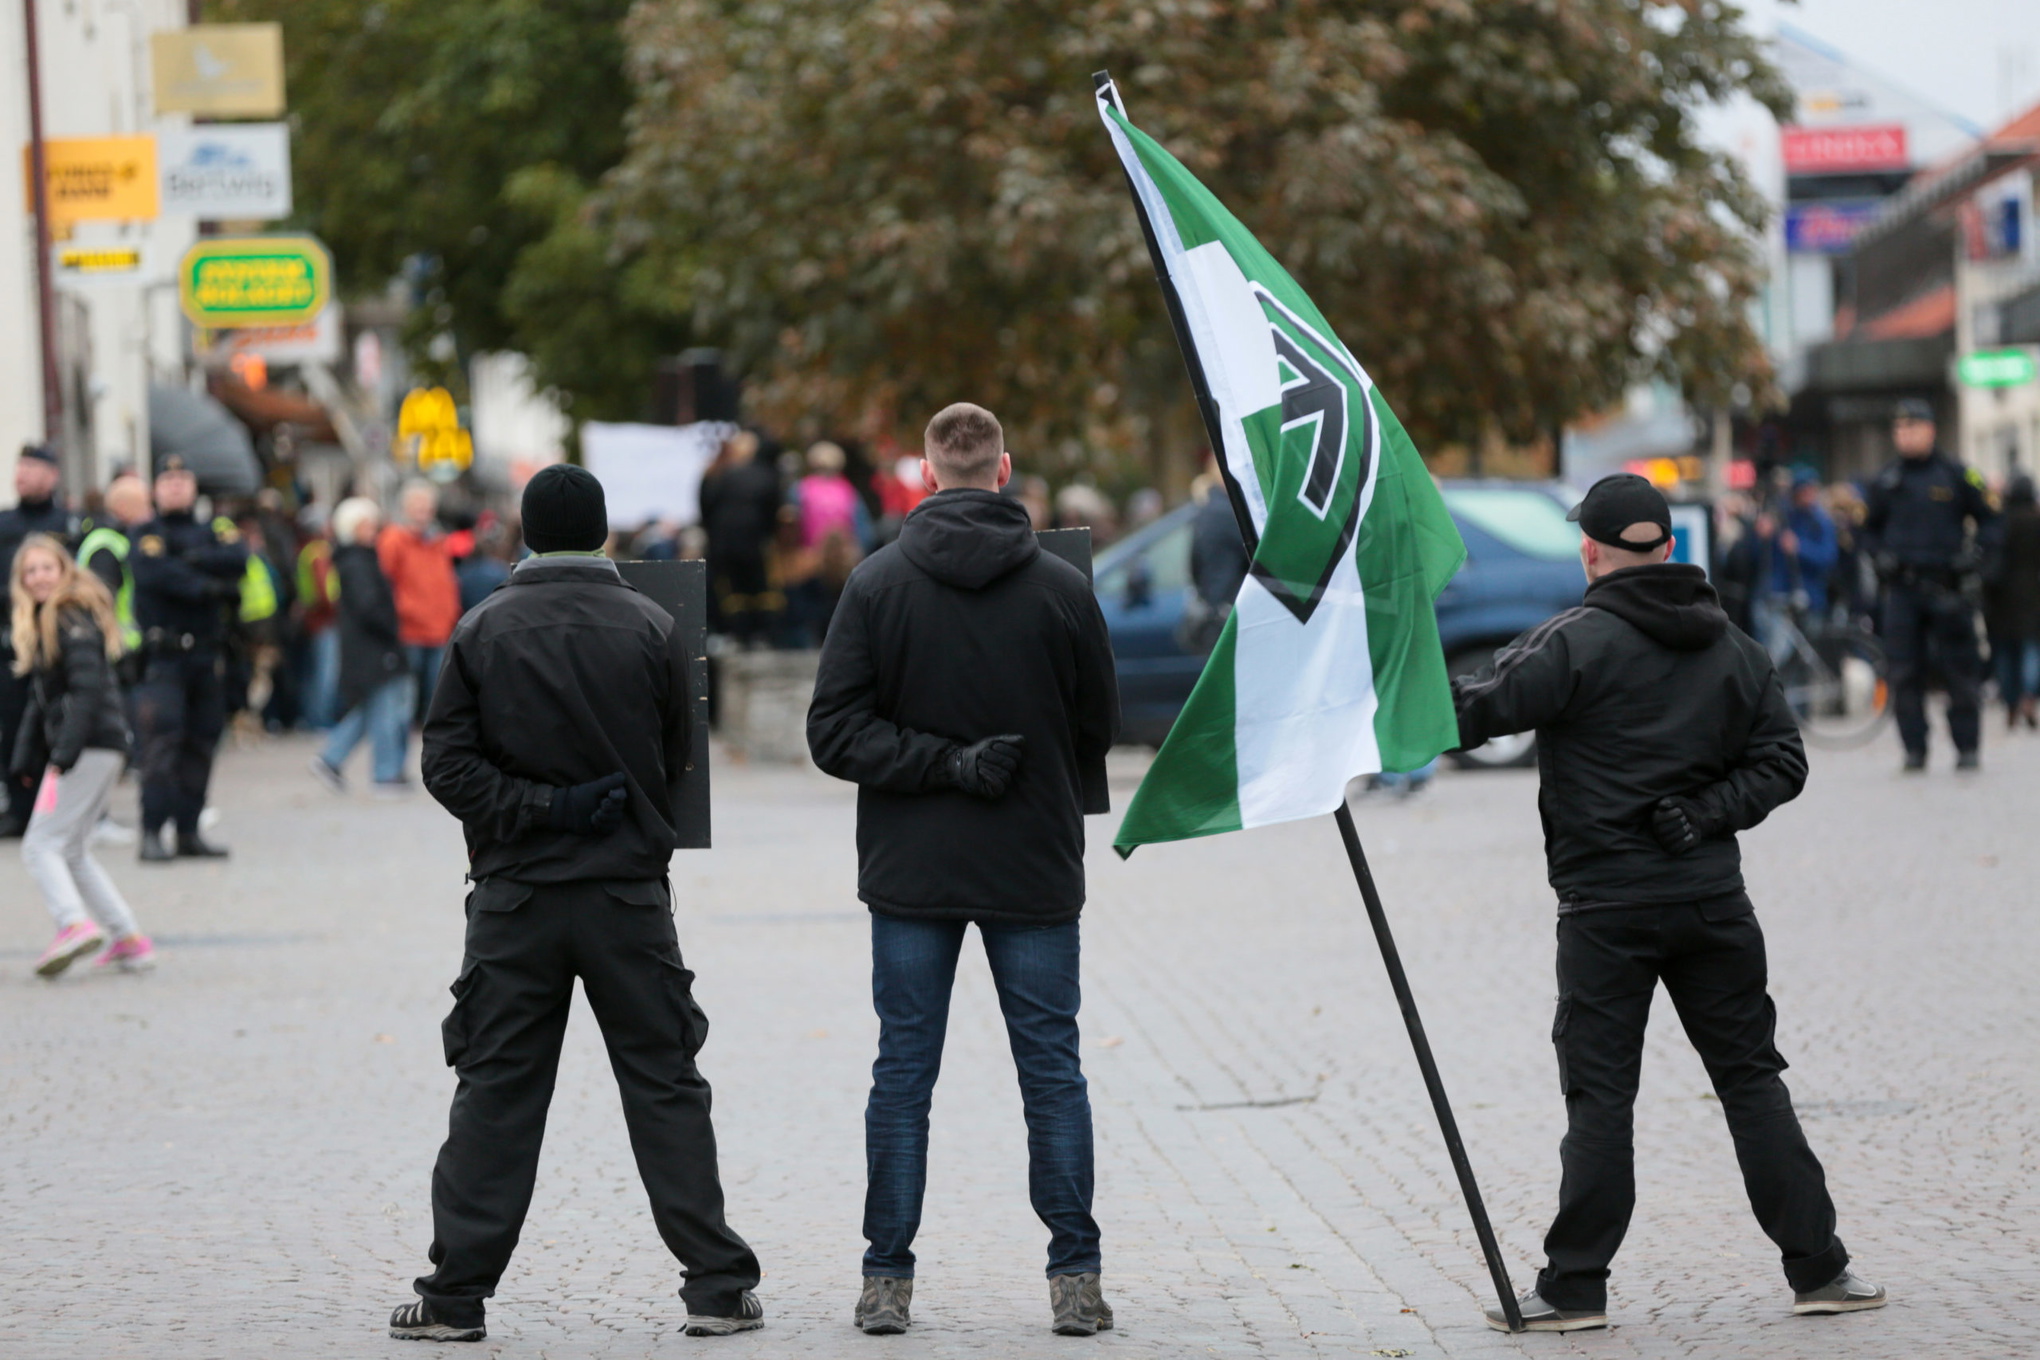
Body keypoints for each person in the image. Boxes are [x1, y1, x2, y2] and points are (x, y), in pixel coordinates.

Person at [1452, 473, 1882, 1333]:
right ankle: (1820, 1270)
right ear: (1673, 546)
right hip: (1712, 904)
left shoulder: (1573, 641)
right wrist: (1708, 814)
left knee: (1601, 1100)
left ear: (1591, 552)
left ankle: (1574, 1289)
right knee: (1752, 1082)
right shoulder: (1733, 645)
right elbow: (1784, 761)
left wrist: (1371, 687)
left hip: (1605, 911)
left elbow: (1475, 711)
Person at [395, 464, 762, 1343]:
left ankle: (453, 1299)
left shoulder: (482, 628)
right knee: (665, 1082)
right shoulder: (652, 624)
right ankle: (715, 1286)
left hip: (516, 900)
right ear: (603, 533)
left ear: (524, 533)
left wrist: (534, 809)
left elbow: (445, 763)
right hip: (627, 898)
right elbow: (677, 752)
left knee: (496, 1092)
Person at [807, 402, 1121, 1338]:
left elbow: (832, 732)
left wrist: (934, 764)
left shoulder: (875, 584)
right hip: (1032, 861)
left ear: (927, 473)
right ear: (1004, 468)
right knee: (1053, 1071)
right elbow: (1097, 724)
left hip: (912, 868)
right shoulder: (1063, 591)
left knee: (903, 1072)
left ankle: (885, 1281)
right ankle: (1076, 1277)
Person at [9, 535, 150, 977]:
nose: (38, 577)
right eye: (30, 571)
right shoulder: (51, 619)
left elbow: (86, 692)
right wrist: (22, 757)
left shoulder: (69, 619)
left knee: (40, 845)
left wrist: (63, 754)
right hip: (101, 746)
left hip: (88, 746)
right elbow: (41, 701)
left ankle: (72, 923)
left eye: (46, 568)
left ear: (64, 571)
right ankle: (126, 937)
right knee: (71, 849)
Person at [1861, 400, 1996, 771]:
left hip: (1948, 587)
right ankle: (1914, 749)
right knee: (1904, 673)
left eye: (1912, 427)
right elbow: (1867, 532)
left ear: (1930, 429)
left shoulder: (1957, 474)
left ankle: (1967, 747)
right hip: (1903, 591)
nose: (1905, 434)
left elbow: (1991, 521)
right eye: (1899, 429)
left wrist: (1976, 558)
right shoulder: (1886, 480)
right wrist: (1879, 556)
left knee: (1961, 671)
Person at [129, 455, 246, 862]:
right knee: (161, 746)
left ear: (195, 487)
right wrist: (208, 586)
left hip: (207, 656)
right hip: (164, 657)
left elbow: (239, 561)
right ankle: (151, 831)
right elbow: (154, 575)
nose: (176, 485)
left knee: (201, 742)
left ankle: (188, 830)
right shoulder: (146, 531)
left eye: (183, 478)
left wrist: (189, 563)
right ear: (155, 488)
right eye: (168, 479)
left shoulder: (214, 530)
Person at [0, 444, 79, 838]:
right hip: (10, 644)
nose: (21, 475)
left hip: (58, 644)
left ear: (52, 475)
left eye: (31, 467)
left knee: (59, 725)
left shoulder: (69, 524)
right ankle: (18, 809)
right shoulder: (4, 523)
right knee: (13, 727)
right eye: (20, 467)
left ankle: (62, 808)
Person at [309, 499, 409, 795]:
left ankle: (331, 757)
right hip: (373, 645)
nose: (373, 529)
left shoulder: (355, 559)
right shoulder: (357, 561)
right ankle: (385, 773)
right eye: (366, 524)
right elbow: (368, 606)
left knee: (372, 707)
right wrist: (390, 626)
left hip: (365, 645)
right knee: (386, 708)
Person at [377, 479, 461, 725]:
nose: (423, 512)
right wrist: (403, 611)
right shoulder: (393, 540)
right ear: (405, 507)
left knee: (436, 701)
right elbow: (383, 584)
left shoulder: (438, 542)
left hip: (438, 630)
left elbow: (446, 582)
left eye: (427, 506)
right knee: (403, 701)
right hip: (408, 631)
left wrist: (450, 615)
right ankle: (395, 760)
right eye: (417, 506)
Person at [698, 429, 784, 645]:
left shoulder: (717, 475)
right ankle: (761, 632)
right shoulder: (766, 475)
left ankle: (735, 632)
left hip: (722, 543)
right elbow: (772, 509)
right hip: (754, 542)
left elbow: (706, 507)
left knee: (730, 589)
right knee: (757, 587)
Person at [1981, 474, 2040, 729]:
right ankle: (2029, 697)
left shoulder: (1999, 522)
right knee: (2031, 650)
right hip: (2033, 596)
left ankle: (2010, 702)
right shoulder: (2036, 522)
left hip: (2000, 597)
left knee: (2005, 654)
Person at [793, 440, 873, 550]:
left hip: (809, 555)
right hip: (842, 556)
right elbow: (864, 531)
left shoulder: (801, 488)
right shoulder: (847, 490)